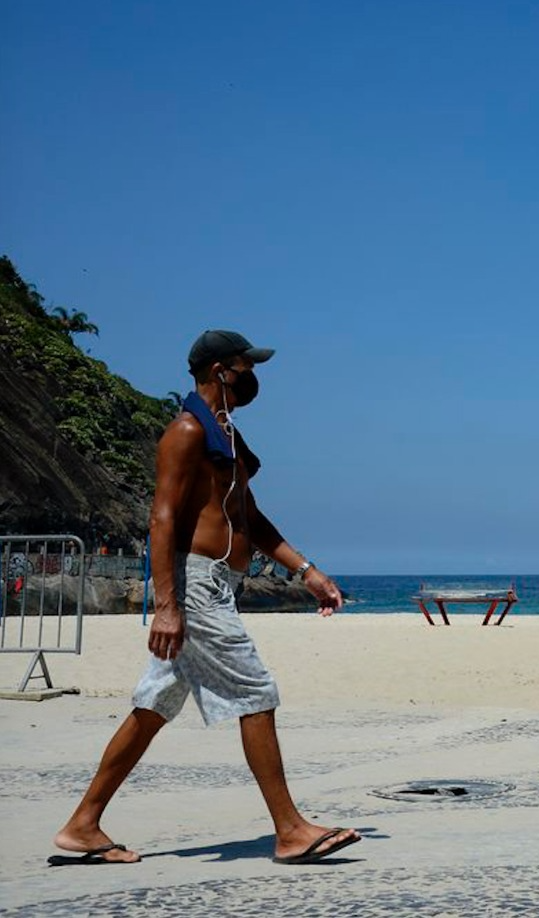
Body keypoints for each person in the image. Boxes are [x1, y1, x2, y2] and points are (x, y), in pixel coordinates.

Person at [51, 330, 360, 866]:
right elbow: (162, 518)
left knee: (154, 705)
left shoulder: (227, 436)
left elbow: (251, 519)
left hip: (218, 585)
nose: (253, 375)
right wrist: (168, 604)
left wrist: (307, 571)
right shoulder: (187, 431)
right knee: (255, 691)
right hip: (195, 587)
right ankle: (290, 830)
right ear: (220, 370)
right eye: (246, 365)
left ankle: (83, 825)